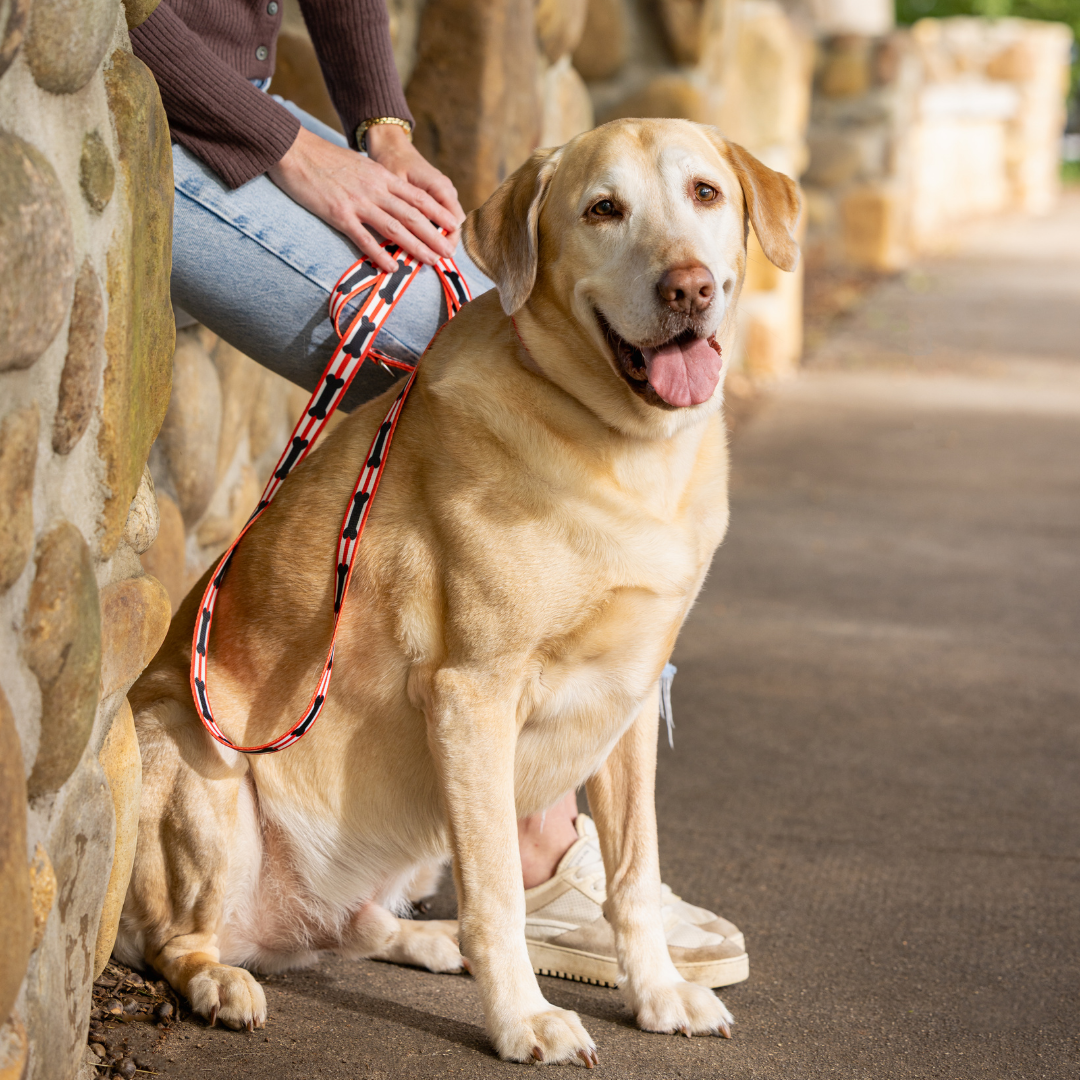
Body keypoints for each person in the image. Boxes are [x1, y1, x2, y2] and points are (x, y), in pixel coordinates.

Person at [129, 0, 746, 988]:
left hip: (236, 96)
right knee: (469, 350)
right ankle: (540, 851)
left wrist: (382, 128)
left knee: (485, 316)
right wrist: (297, 151)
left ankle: (556, 813)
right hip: (127, 93)